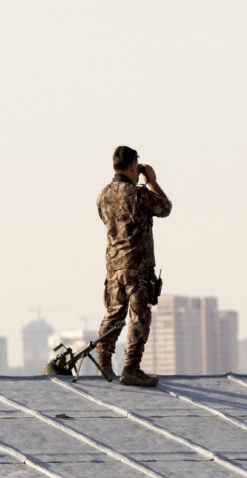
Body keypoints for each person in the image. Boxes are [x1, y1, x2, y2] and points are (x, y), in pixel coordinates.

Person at [95, 145, 172, 386]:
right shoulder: (138, 195)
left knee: (114, 314)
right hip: (137, 266)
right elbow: (165, 208)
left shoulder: (103, 195)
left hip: (114, 266)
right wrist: (152, 182)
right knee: (140, 316)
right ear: (131, 166)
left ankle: (104, 362)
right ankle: (131, 367)